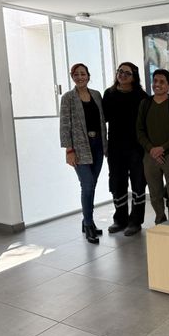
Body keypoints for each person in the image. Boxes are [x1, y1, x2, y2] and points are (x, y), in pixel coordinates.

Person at [59, 63, 107, 244]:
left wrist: (106, 145)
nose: (80, 77)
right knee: (87, 185)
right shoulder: (68, 98)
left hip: (98, 145)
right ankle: (88, 224)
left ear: (88, 76)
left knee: (91, 185)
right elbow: (64, 125)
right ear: (72, 77)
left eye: (83, 74)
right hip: (79, 148)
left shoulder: (96, 95)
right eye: (76, 74)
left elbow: (102, 121)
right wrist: (69, 150)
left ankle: (87, 220)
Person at [102, 62, 148, 236]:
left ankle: (135, 221)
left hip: (136, 148)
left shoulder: (141, 96)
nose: (122, 75)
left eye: (127, 73)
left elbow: (145, 124)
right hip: (115, 147)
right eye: (120, 71)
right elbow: (103, 118)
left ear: (134, 77)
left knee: (138, 183)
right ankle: (119, 220)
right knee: (117, 183)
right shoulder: (109, 94)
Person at [137, 69, 169, 224]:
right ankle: (160, 221)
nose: (157, 84)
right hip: (149, 157)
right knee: (155, 193)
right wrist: (151, 149)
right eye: (155, 81)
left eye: (162, 82)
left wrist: (162, 148)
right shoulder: (145, 104)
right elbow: (139, 130)